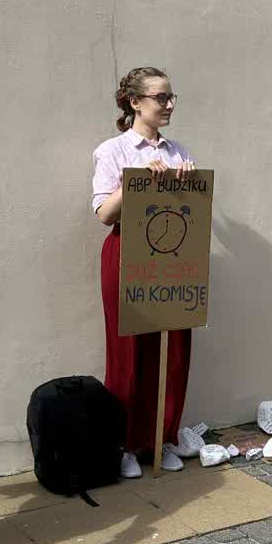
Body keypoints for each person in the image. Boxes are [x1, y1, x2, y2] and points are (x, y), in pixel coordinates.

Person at [92, 67, 199, 479]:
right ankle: (124, 444)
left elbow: (189, 208)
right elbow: (104, 213)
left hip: (173, 254)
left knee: (173, 349)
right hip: (127, 252)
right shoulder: (112, 151)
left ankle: (161, 437)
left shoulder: (178, 151)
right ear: (135, 102)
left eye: (171, 97)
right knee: (128, 352)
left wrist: (185, 182)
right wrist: (135, 182)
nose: (169, 105)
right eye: (160, 97)